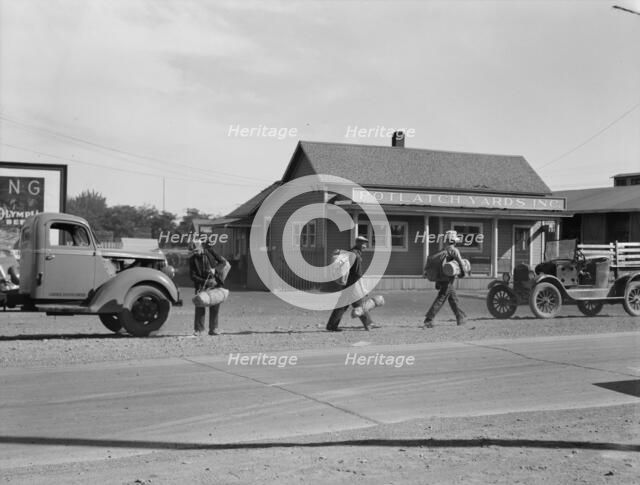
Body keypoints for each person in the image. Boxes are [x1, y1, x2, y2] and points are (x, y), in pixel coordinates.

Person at [326, 235, 373, 332]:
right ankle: (368, 324)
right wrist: (363, 289)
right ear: (359, 243)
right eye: (364, 244)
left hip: (346, 284)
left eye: (365, 244)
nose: (365, 246)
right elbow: (357, 274)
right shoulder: (356, 255)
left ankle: (331, 325)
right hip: (352, 285)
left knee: (343, 306)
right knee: (359, 305)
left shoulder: (350, 252)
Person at [423, 230, 467, 328]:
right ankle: (429, 319)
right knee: (441, 298)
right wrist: (463, 273)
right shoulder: (454, 250)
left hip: (441, 278)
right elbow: (461, 263)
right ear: (454, 241)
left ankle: (460, 317)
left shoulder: (442, 251)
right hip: (448, 279)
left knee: (453, 298)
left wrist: (438, 281)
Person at [188, 240, 227, 336]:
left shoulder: (211, 252)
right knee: (200, 306)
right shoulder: (192, 259)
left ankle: (213, 329)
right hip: (201, 285)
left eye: (196, 250)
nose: (195, 253)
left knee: (215, 306)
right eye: (193, 251)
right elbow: (193, 276)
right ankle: (199, 330)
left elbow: (223, 262)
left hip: (215, 283)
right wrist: (204, 281)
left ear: (201, 247)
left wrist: (215, 270)